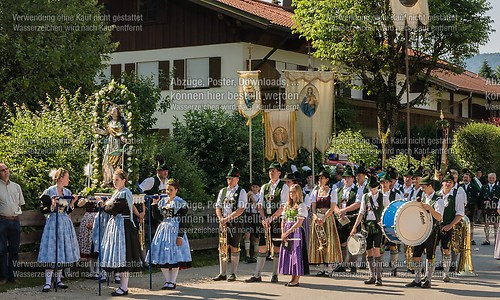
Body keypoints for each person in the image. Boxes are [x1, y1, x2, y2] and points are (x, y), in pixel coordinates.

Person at [99, 169, 141, 296]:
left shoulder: (124, 193)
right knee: (120, 256)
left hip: (123, 227)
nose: (115, 182)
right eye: (113, 180)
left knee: (124, 256)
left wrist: (101, 204)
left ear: (124, 180)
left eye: (117, 179)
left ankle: (124, 287)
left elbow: (113, 209)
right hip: (117, 227)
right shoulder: (117, 193)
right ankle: (123, 286)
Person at [246, 161, 289, 283]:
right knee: (261, 246)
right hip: (265, 220)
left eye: (273, 171)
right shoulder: (265, 187)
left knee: (276, 248)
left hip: (277, 220)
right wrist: (264, 218)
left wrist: (271, 219)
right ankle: (257, 274)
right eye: (270, 171)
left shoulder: (283, 187)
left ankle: (275, 274)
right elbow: (260, 205)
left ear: (279, 173)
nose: (271, 173)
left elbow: (283, 206)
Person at [38, 168, 80, 292]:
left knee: (61, 249)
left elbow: (67, 210)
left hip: (64, 222)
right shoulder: (49, 191)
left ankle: (58, 280)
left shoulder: (67, 191)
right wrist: (52, 205)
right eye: (67, 177)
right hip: (53, 222)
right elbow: (43, 209)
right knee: (52, 249)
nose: (69, 179)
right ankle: (47, 282)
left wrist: (72, 202)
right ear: (61, 178)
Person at [147, 178, 191, 290]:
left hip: (175, 229)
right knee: (161, 255)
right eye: (167, 189)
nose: (168, 192)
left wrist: (180, 236)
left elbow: (184, 220)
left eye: (171, 190)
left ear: (176, 190)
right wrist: (154, 205)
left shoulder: (180, 203)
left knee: (175, 255)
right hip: (163, 229)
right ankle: (167, 281)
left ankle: (173, 281)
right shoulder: (162, 201)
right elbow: (157, 218)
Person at [405, 174, 444, 289]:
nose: (421, 189)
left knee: (430, 256)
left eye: (423, 187)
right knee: (416, 255)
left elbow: (439, 217)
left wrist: (430, 208)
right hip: (421, 230)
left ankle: (428, 279)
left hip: (432, 231)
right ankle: (417, 279)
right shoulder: (423, 196)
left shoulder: (438, 199)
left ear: (430, 186)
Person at [351, 176, 388, 286]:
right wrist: (354, 226)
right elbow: (361, 212)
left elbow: (387, 211)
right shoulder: (365, 197)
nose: (373, 190)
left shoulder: (384, 197)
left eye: (375, 188)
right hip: (367, 226)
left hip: (377, 226)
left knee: (377, 249)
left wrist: (385, 225)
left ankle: (379, 277)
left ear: (378, 187)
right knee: (368, 250)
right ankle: (371, 275)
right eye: (371, 188)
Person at [213, 165, 246, 282]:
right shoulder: (223, 191)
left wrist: (227, 219)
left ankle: (233, 273)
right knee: (222, 246)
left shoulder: (241, 191)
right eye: (228, 178)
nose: (229, 180)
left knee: (234, 247)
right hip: (223, 222)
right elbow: (218, 206)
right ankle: (222, 273)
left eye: (231, 178)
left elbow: (240, 209)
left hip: (235, 222)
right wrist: (221, 218)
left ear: (237, 179)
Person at [309, 170, 342, 276]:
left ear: (327, 180)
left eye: (322, 178)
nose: (320, 180)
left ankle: (329, 268)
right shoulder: (315, 191)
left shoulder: (332, 191)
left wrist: (323, 218)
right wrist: (315, 216)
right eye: (319, 178)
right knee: (318, 241)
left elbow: (332, 207)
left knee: (328, 241)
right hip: (317, 218)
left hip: (327, 218)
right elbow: (313, 206)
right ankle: (321, 267)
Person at [138, 160, 168, 264]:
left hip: (162, 213)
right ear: (158, 171)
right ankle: (147, 260)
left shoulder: (168, 182)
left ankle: (160, 258)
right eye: (163, 170)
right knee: (149, 235)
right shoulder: (151, 181)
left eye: (166, 171)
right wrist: (145, 201)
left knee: (161, 235)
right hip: (150, 213)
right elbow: (140, 190)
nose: (165, 172)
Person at [279, 184, 309, 286]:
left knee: (296, 254)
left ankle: (296, 279)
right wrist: (283, 232)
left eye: (294, 191)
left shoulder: (301, 205)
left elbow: (299, 222)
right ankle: (292, 278)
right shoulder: (287, 205)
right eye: (290, 192)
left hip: (296, 231)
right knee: (289, 254)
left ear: (298, 193)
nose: (291, 194)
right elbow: (283, 220)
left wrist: (288, 232)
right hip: (287, 230)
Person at [438, 172, 465, 282]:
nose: (448, 184)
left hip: (448, 226)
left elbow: (459, 213)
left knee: (446, 249)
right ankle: (427, 274)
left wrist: (450, 225)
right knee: (431, 249)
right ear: (442, 183)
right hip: (435, 227)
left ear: (453, 184)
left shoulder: (456, 196)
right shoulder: (436, 195)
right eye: (446, 182)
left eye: (450, 182)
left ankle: (446, 273)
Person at [0, 163, 25, 285]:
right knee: (1, 250)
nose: (5, 172)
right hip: (2, 221)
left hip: (15, 221)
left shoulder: (16, 186)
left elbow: (20, 203)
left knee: (14, 250)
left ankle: (13, 277)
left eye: (6, 169)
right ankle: (3, 277)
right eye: (2, 170)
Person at [334, 166, 361, 273]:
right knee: (342, 242)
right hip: (341, 218)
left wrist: (344, 210)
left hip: (352, 218)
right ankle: (342, 264)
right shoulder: (339, 190)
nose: (346, 180)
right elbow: (334, 204)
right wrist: (338, 211)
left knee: (353, 241)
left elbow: (358, 204)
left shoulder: (357, 190)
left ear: (353, 179)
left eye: (349, 177)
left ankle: (353, 265)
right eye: (345, 178)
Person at [95, 106, 128, 187]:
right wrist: (98, 131)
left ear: (118, 113)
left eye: (115, 111)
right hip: (109, 143)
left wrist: (124, 139)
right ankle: (106, 180)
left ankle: (114, 182)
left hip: (116, 143)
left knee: (115, 163)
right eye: (112, 111)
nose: (113, 112)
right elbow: (106, 132)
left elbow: (121, 134)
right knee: (105, 162)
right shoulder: (109, 123)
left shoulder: (119, 123)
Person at [77, 195, 100, 279]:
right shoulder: (86, 196)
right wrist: (86, 199)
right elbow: (79, 204)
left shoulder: (102, 196)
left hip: (98, 219)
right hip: (87, 219)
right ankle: (91, 271)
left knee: (97, 247)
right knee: (88, 247)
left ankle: (97, 271)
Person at [479, 173, 499, 245]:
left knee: (496, 224)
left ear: (495, 179)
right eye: (490, 178)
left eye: (493, 178)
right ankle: (487, 239)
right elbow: (480, 197)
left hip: (495, 208)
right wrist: (483, 201)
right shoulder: (484, 187)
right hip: (486, 208)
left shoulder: (498, 188)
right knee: (486, 224)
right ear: (488, 179)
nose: (491, 179)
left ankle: (496, 240)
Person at [461, 170, 480, 245]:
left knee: (470, 223)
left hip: (470, 208)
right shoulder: (460, 187)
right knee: (461, 224)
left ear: (470, 179)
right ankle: (462, 238)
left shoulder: (474, 187)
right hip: (461, 208)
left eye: (467, 178)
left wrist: (469, 202)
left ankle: (471, 239)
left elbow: (475, 197)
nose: (465, 179)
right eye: (464, 177)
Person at [244, 182, 261, 264]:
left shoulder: (260, 196)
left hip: (256, 215)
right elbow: (243, 205)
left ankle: (255, 255)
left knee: (256, 236)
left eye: (256, 187)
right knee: (247, 233)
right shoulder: (248, 195)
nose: (254, 188)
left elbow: (258, 207)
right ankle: (247, 254)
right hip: (248, 215)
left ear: (259, 188)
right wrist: (247, 197)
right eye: (253, 187)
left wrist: (253, 199)